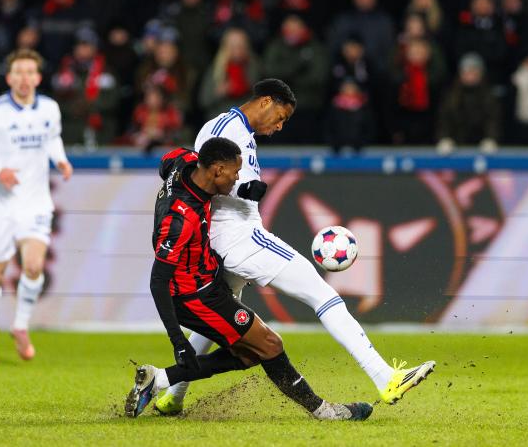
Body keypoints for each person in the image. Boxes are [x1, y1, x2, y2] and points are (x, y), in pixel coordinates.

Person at [154, 79, 434, 415]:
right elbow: (209, 172)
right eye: (281, 117)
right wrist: (246, 189)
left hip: (225, 240)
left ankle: (171, 394)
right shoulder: (226, 129)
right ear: (266, 101)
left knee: (219, 317)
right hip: (239, 238)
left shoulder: (236, 131)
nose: (279, 126)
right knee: (321, 293)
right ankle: (385, 376)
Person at [124, 139, 371, 422]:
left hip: (209, 282)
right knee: (269, 344)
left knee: (250, 354)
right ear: (217, 170)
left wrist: (241, 191)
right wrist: (178, 340)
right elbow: (158, 282)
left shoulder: (185, 160)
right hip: (195, 298)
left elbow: (165, 161)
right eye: (235, 172)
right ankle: (325, 412)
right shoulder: (180, 220)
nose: (238, 177)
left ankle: (158, 380)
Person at [0, 49, 73, 365]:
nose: (24, 78)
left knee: (34, 267)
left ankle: (20, 326)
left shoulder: (50, 108)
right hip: (1, 206)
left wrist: (60, 159)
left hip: (36, 203)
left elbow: (52, 138)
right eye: (19, 72)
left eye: (30, 72)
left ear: (38, 77)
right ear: (9, 78)